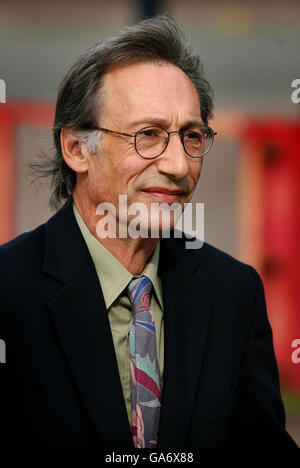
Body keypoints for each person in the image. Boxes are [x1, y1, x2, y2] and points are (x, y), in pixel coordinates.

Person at [0, 15, 297, 449]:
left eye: (191, 137)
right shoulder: (8, 291)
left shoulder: (233, 293)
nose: (178, 165)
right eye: (148, 135)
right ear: (76, 148)